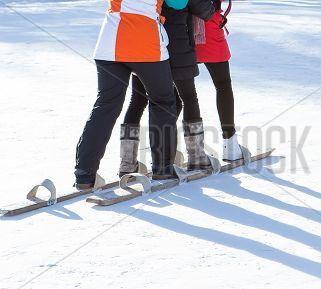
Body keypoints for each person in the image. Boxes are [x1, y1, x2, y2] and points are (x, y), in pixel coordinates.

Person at [75, 0, 184, 189]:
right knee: (163, 102)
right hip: (145, 40)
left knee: (106, 105)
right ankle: (162, 168)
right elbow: (178, 3)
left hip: (109, 41)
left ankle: (84, 174)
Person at [119, 0, 216, 175]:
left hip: (144, 46)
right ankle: (196, 157)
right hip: (177, 49)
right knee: (188, 98)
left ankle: (128, 163)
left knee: (139, 100)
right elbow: (207, 11)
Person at [194, 0, 243, 161]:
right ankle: (230, 145)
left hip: (181, 30)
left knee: (179, 90)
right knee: (223, 85)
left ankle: (172, 150)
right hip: (209, 28)